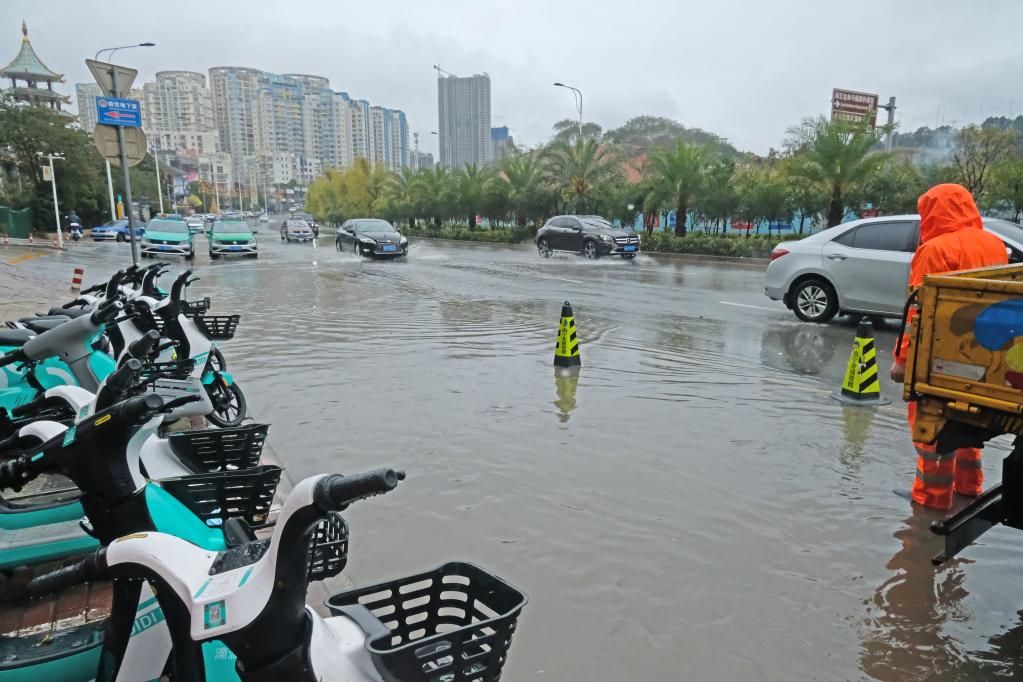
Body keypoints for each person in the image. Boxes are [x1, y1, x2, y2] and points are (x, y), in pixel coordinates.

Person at [891, 183, 1008, 509]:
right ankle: (969, 487)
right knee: (970, 420)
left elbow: (919, 312)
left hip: (940, 357)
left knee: (932, 425)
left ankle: (932, 500)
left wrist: (902, 360)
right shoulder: (993, 243)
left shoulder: (935, 250)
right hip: (985, 353)